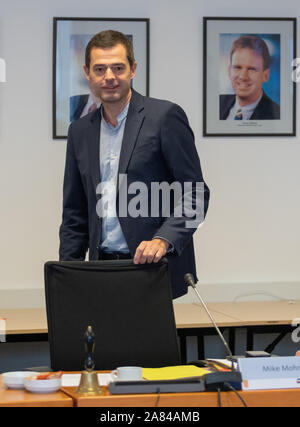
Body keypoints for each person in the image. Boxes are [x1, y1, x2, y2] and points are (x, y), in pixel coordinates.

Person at [59, 30, 209, 299]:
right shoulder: (79, 131)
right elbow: (74, 214)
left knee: (149, 342)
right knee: (101, 342)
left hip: (152, 268)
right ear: (87, 73)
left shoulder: (164, 117)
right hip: (101, 268)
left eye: (118, 67)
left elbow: (196, 194)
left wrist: (163, 239)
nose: (109, 77)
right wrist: (69, 274)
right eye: (100, 69)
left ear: (133, 69)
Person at [220, 35, 280, 120]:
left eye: (252, 69)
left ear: (265, 75)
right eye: (237, 67)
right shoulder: (217, 104)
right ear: (229, 71)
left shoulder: (277, 115)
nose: (243, 76)